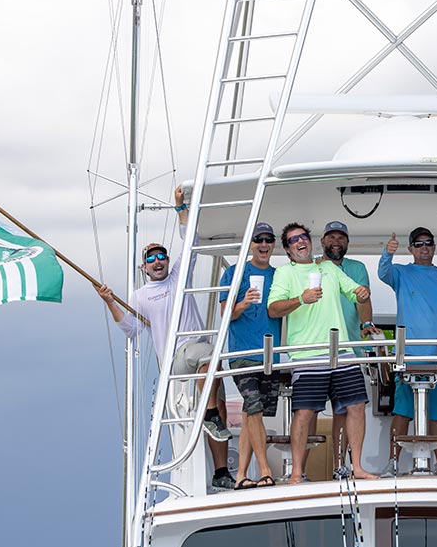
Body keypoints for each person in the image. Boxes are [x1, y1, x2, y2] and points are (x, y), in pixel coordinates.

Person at [96, 187, 234, 491]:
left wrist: (179, 206)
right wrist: (110, 302)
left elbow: (192, 240)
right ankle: (209, 412)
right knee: (209, 356)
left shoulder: (178, 277)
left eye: (162, 256)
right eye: (151, 258)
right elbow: (131, 329)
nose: (158, 261)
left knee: (220, 406)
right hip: (175, 359)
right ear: (143, 267)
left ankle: (221, 470)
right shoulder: (140, 296)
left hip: (195, 354)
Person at [267, 222, 377, 484]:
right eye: (293, 240)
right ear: (287, 249)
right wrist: (301, 299)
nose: (300, 242)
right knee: (304, 412)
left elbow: (356, 294)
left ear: (310, 241)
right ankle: (296, 473)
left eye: (303, 237)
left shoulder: (328, 267)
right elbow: (273, 309)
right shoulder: (284, 273)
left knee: (356, 407)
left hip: (341, 351)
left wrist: (363, 293)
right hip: (307, 354)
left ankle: (357, 467)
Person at [378, 227, 437, 476]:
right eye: (418, 244)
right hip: (408, 356)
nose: (424, 247)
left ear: (434, 247)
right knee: (402, 412)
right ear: (411, 249)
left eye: (428, 243)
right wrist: (387, 253)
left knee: (436, 413)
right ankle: (392, 463)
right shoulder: (401, 272)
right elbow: (383, 273)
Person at [218, 221, 282, 489]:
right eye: (259, 240)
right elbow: (225, 315)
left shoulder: (280, 275)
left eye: (268, 239)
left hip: (271, 356)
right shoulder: (234, 273)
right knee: (253, 408)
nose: (264, 245)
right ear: (250, 244)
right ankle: (266, 471)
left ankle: (242, 474)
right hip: (243, 353)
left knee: (250, 415)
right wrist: (243, 303)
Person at [320, 220, 379, 479]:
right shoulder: (312, 267)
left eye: (341, 238)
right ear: (322, 241)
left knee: (347, 410)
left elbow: (362, 299)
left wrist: (367, 323)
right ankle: (328, 467)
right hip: (317, 351)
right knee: (310, 412)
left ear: (347, 242)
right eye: (331, 237)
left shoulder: (357, 268)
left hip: (350, 351)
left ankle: (351, 466)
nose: (336, 242)